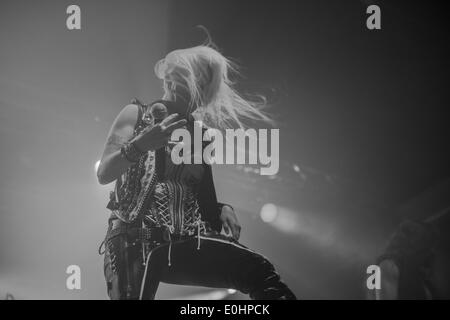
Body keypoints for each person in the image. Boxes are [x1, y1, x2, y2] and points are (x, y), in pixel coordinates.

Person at [97, 44, 296, 300]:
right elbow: (104, 173)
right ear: (177, 80)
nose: (204, 90)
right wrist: (141, 144)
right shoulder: (137, 113)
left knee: (258, 272)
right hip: (133, 239)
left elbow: (202, 201)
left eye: (208, 82)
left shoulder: (200, 135)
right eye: (200, 79)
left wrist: (221, 208)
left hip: (181, 243)